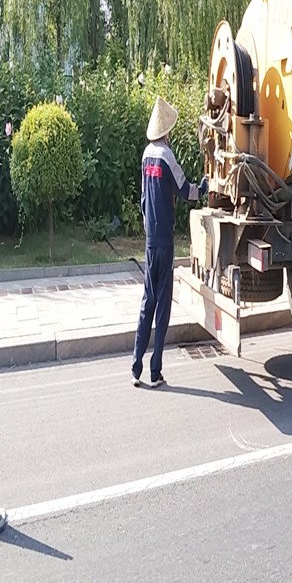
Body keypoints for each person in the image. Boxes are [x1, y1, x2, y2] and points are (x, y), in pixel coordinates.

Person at [132, 96, 207, 388]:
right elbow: (186, 191)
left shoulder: (146, 156)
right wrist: (204, 186)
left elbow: (142, 200)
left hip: (150, 239)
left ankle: (136, 366)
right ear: (167, 130)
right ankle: (155, 371)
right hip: (165, 241)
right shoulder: (166, 156)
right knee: (163, 305)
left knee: (146, 301)